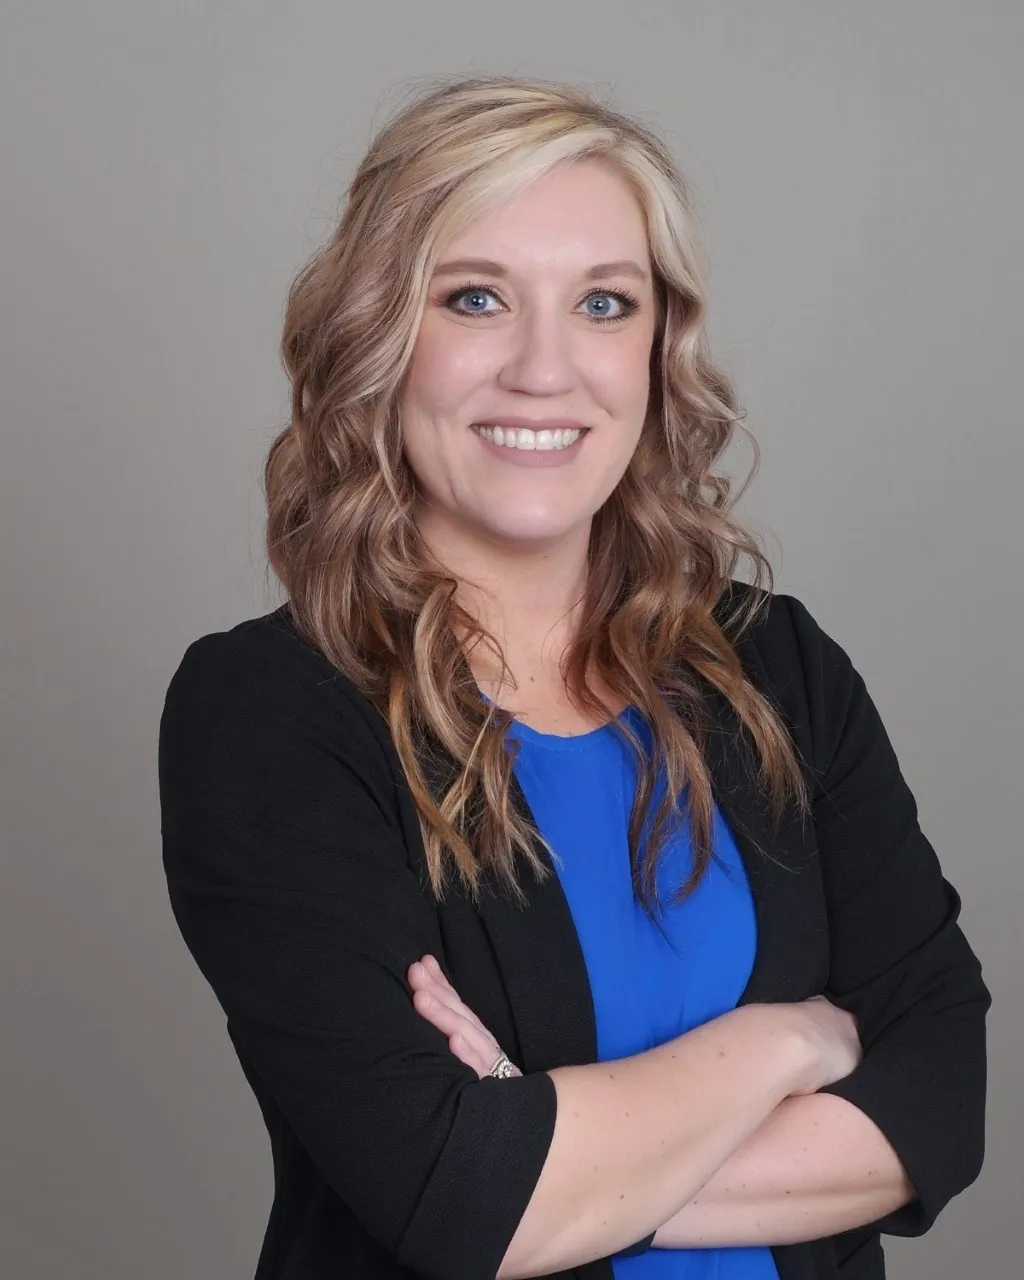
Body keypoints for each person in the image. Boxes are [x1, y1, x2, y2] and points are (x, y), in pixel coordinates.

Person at [157, 75, 990, 1280]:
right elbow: (451, 1196)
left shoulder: (779, 668)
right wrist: (788, 1041)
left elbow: (941, 1104)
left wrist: (547, 1153)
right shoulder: (273, 714)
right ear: (380, 336)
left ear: (658, 346)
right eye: (476, 298)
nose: (545, 369)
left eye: (604, 302)